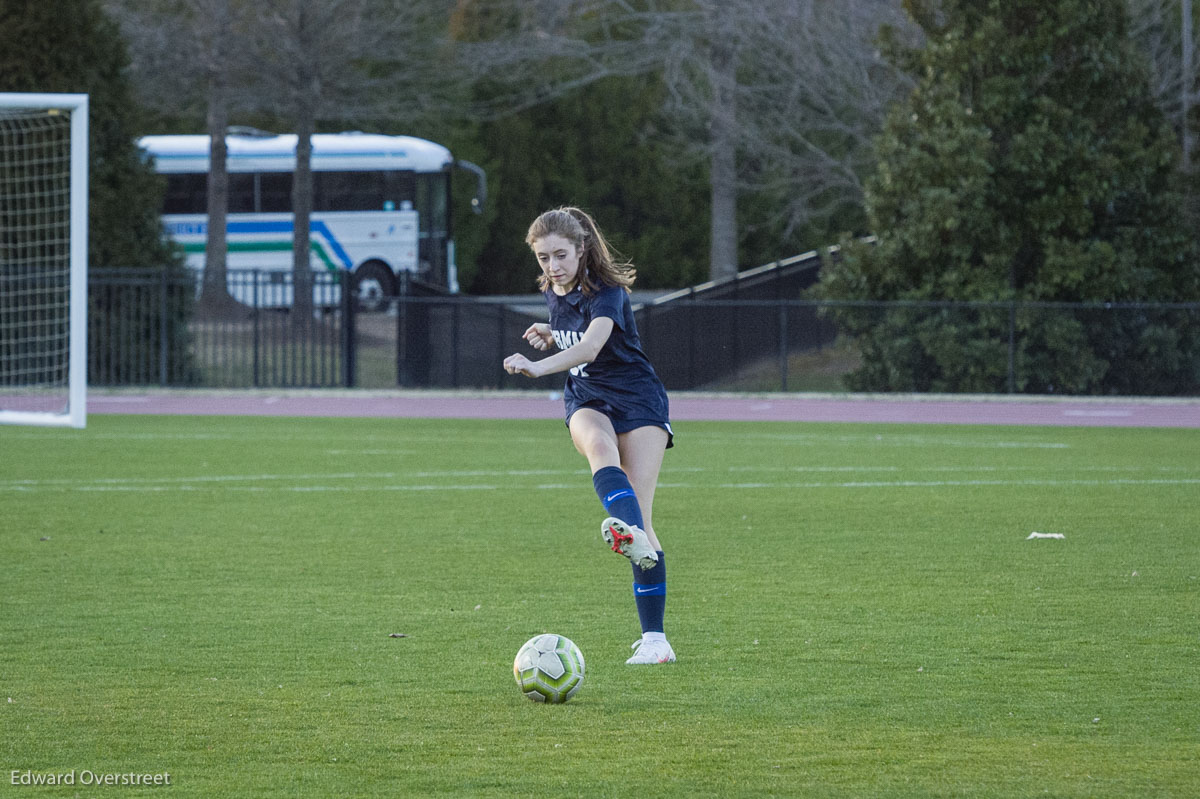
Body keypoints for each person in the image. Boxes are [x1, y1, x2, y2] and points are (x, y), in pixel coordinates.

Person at [503, 207, 676, 665]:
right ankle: (630, 532)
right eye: (543, 258)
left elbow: (593, 345)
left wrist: (538, 364)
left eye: (561, 255)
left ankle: (656, 642)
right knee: (598, 447)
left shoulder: (608, 293)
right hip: (588, 398)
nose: (552, 266)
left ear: (582, 249)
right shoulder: (553, 290)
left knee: (641, 516)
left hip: (639, 401)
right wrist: (551, 332)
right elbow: (574, 340)